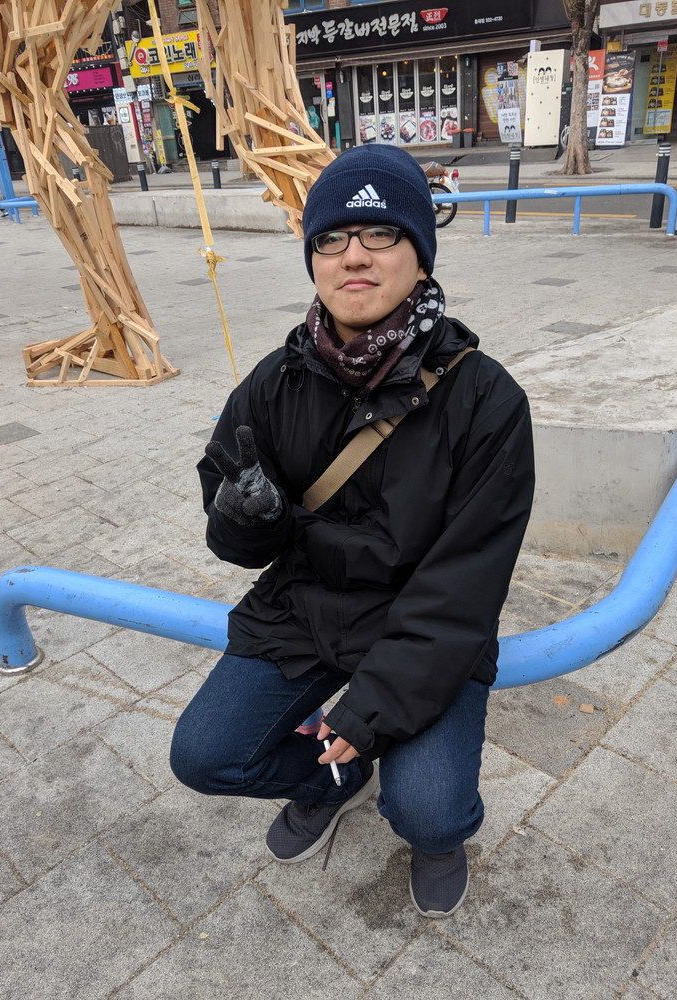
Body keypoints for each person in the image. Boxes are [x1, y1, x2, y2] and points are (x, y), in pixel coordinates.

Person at [170, 144, 535, 918]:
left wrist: (367, 711)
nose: (354, 256)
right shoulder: (275, 380)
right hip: (302, 608)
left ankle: (438, 836)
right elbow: (238, 542)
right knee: (204, 755)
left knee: (427, 809)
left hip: (425, 625)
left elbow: (465, 587)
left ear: (420, 254)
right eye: (332, 237)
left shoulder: (489, 401)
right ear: (313, 259)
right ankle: (331, 782)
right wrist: (244, 517)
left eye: (381, 233)